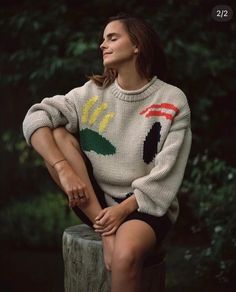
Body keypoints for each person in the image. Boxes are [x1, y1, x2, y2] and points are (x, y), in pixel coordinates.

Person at [22, 13, 192, 292]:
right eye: (102, 39)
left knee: (124, 256)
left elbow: (166, 174)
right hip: (95, 201)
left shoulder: (171, 99)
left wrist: (122, 212)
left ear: (137, 44)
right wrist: (63, 168)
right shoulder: (91, 93)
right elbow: (34, 117)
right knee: (57, 133)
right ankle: (106, 229)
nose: (103, 45)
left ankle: (109, 232)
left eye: (112, 38)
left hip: (144, 205)